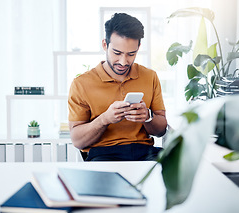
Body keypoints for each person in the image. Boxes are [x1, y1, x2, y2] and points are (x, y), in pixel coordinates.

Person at [68, 13, 167, 161]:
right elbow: (77, 141)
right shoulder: (81, 84)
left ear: (138, 48)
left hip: (145, 152)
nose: (123, 61)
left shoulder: (150, 76)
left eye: (131, 54)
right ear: (105, 45)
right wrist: (104, 119)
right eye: (117, 53)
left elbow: (161, 130)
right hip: (103, 154)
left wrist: (147, 117)